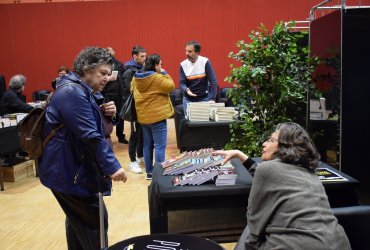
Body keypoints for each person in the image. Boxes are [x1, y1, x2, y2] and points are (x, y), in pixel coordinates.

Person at [38, 47, 127, 249]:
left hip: (69, 171)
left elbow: (93, 125)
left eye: (108, 74)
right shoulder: (72, 92)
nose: (107, 78)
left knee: (79, 222)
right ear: (86, 69)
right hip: (70, 173)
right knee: (94, 225)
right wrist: (112, 166)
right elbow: (91, 135)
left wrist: (107, 112)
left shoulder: (80, 90)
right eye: (102, 73)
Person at [214, 122, 350, 250]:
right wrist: (240, 155)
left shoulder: (268, 170)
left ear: (286, 146)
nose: (264, 144)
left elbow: (255, 225)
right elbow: (272, 175)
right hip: (339, 243)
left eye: (271, 140)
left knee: (248, 230)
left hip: (299, 246)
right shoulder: (308, 172)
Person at [131, 54, 175, 180]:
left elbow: (131, 90)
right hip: (157, 117)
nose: (161, 66)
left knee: (147, 145)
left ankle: (149, 172)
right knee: (160, 146)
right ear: (155, 65)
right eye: (160, 64)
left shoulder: (136, 78)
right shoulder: (157, 78)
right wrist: (164, 72)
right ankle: (159, 173)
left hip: (143, 118)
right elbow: (171, 86)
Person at [122, 45, 147, 174]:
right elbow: (128, 94)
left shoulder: (144, 68)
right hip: (134, 108)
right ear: (134, 56)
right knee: (135, 135)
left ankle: (140, 156)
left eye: (145, 56)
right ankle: (132, 162)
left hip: (143, 108)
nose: (144, 58)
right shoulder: (128, 71)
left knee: (142, 134)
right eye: (141, 56)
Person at [179, 40, 218, 115]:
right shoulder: (183, 64)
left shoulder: (205, 62)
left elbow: (213, 81)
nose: (187, 53)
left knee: (203, 122)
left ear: (197, 52)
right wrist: (187, 90)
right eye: (186, 51)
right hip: (188, 98)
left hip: (203, 97)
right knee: (189, 123)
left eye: (190, 51)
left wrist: (213, 99)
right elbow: (182, 83)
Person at [102, 46, 128, 144]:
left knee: (120, 116)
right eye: (106, 50)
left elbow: (124, 79)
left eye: (110, 50)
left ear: (114, 52)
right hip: (107, 94)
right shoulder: (102, 65)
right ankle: (105, 135)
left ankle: (120, 136)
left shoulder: (119, 64)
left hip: (119, 94)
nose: (108, 52)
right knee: (107, 116)